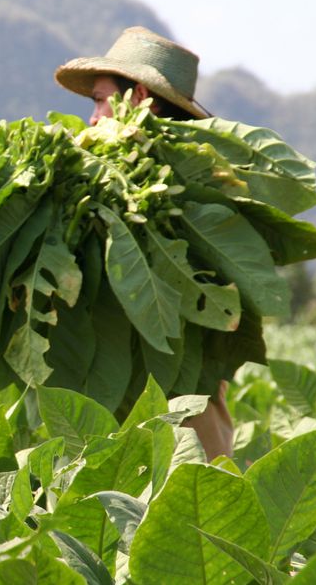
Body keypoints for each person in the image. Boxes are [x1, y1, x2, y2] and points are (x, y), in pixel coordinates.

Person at [53, 26, 233, 460]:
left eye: (99, 100)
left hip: (184, 451)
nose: (92, 117)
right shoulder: (111, 192)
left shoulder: (185, 194)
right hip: (136, 446)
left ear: (136, 98)